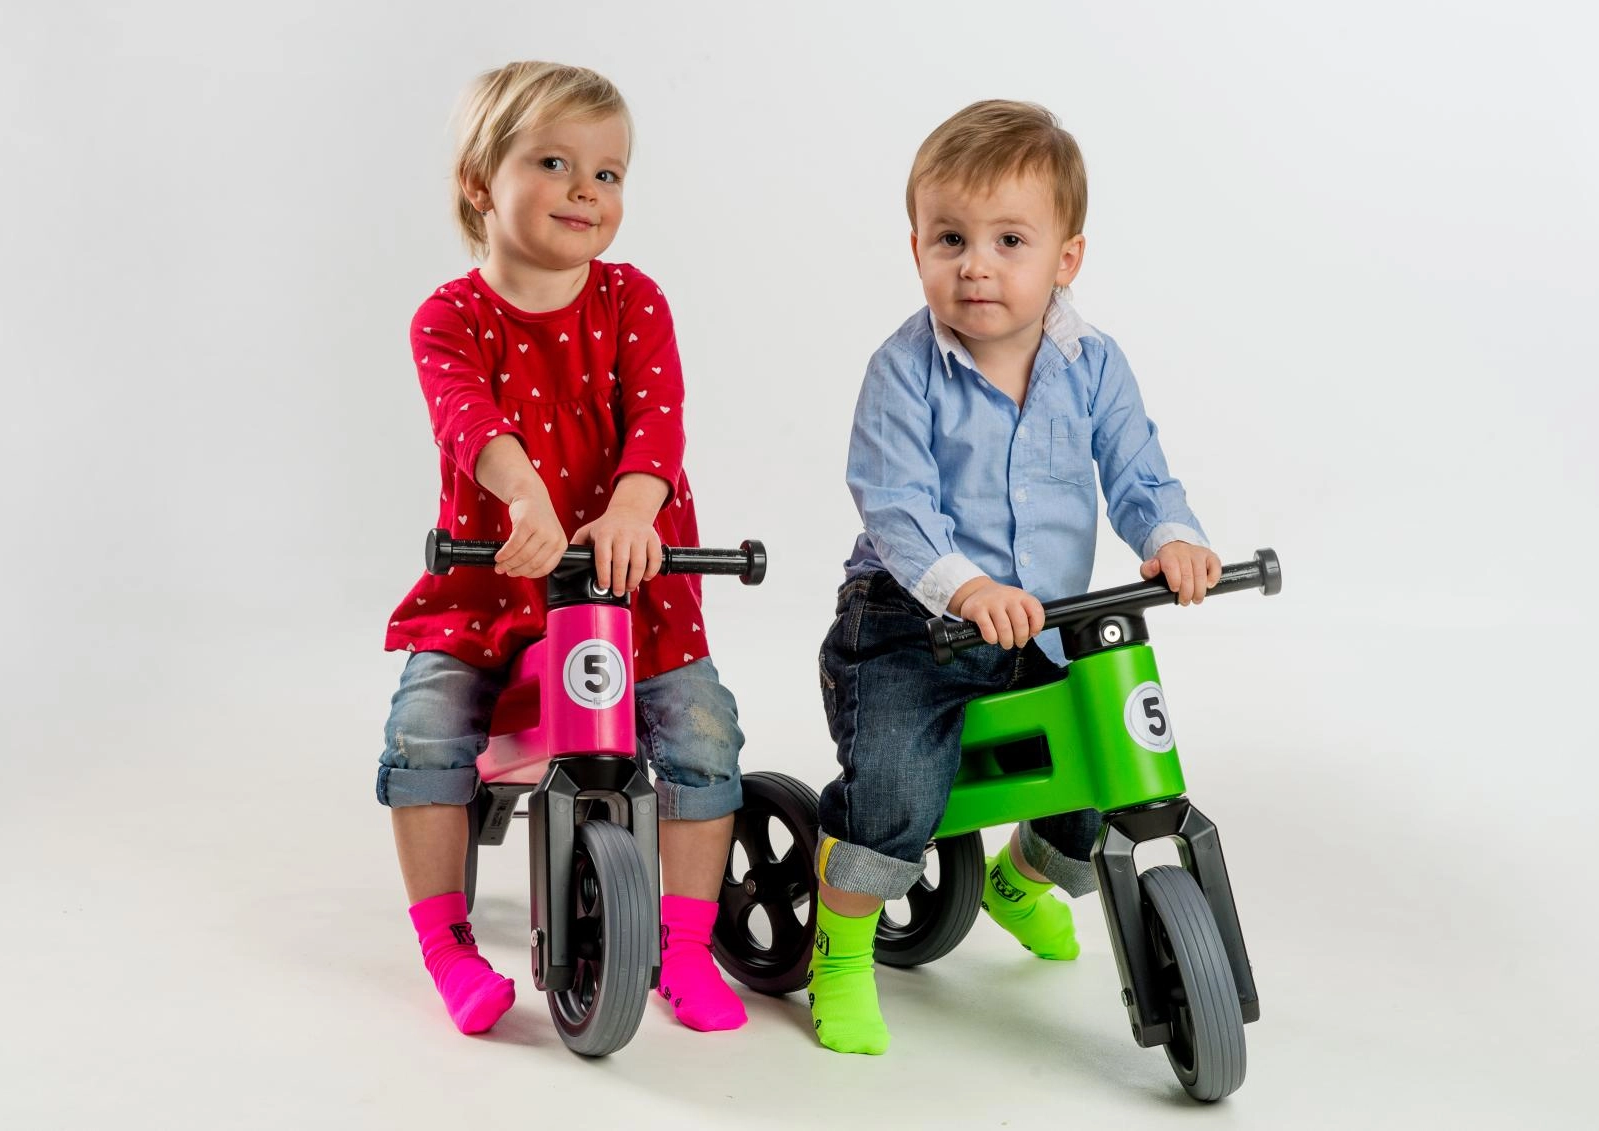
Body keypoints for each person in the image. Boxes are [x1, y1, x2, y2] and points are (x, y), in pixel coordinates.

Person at [808, 99, 1223, 1054]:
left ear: (1065, 259)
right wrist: (966, 588)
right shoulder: (903, 370)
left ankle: (1019, 880)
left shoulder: (1092, 363)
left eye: (1008, 240)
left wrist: (1173, 537)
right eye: (950, 238)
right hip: (910, 622)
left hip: (1045, 623)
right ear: (917, 247)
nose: (975, 265)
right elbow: (896, 503)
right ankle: (841, 948)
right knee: (898, 791)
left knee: (1105, 760)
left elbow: (1138, 472)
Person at [379, 61, 748, 1037]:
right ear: (479, 183)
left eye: (608, 173)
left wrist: (631, 512)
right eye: (554, 163)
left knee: (702, 730)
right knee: (425, 727)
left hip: (631, 588)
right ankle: (447, 945)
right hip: (492, 586)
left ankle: (683, 945)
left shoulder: (633, 302)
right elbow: (470, 422)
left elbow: (657, 426)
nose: (586, 189)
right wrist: (525, 499)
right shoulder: (449, 318)